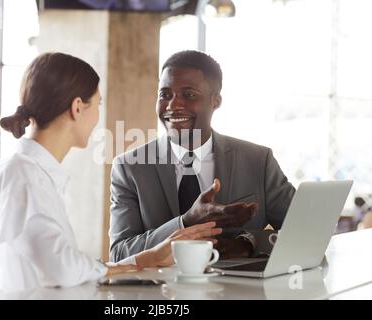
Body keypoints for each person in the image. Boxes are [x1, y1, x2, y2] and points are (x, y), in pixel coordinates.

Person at [0, 52, 222, 298]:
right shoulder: (24, 175)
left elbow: (56, 265)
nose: (97, 119)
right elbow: (61, 268)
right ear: (77, 107)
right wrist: (139, 262)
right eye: (98, 105)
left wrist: (144, 259)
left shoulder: (29, 172)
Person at [109, 50, 296, 262]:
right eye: (165, 94)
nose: (173, 105)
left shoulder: (258, 161)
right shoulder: (130, 167)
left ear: (215, 101)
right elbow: (119, 253)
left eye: (189, 95)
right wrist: (186, 222)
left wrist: (249, 243)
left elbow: (303, 230)